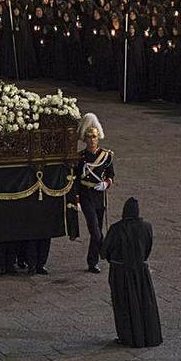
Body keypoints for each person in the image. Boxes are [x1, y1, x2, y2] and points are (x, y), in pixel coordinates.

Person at [100, 197, 163, 348]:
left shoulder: (116, 228)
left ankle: (127, 337)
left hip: (120, 271)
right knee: (144, 303)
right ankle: (148, 336)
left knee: (123, 304)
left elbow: (104, 252)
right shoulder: (146, 227)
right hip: (140, 271)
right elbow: (148, 248)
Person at [76, 113, 115, 274]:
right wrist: (76, 199)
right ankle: (103, 254)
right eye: (89, 137)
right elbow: (76, 179)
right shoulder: (80, 158)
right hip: (86, 195)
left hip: (99, 196)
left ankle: (93, 261)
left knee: (98, 228)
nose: (92, 140)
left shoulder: (106, 156)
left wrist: (106, 184)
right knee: (95, 231)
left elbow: (111, 174)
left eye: (94, 137)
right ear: (85, 139)